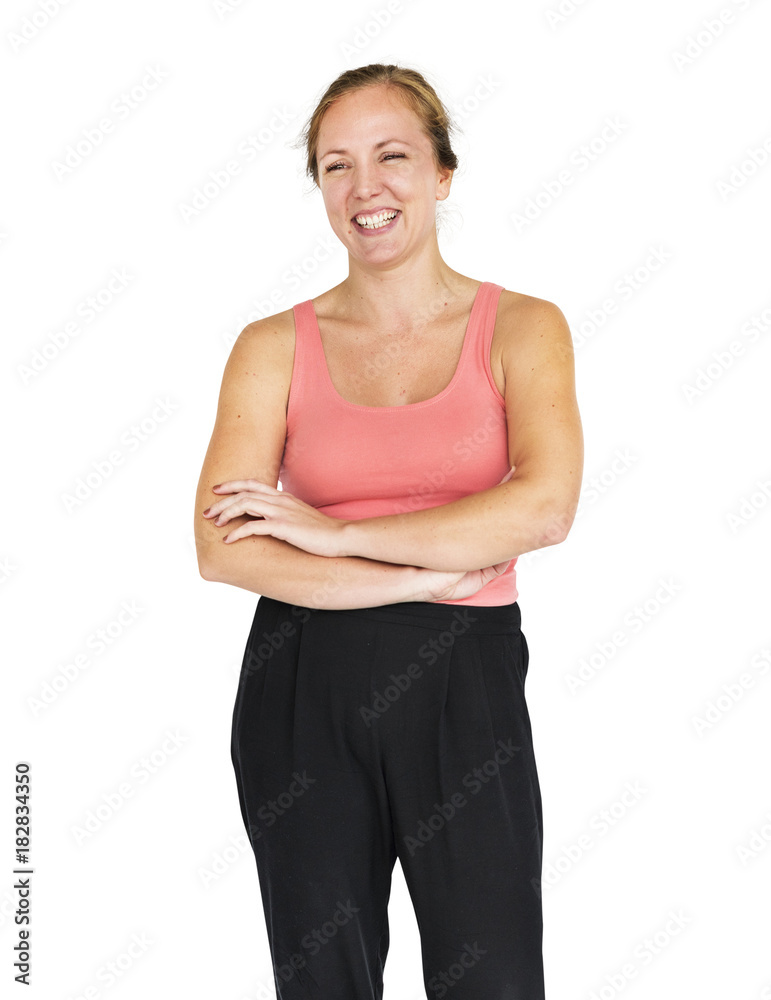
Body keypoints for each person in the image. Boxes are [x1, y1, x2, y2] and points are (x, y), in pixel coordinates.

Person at [194, 62, 583, 1000]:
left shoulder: (523, 328)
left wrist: (331, 537)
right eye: (336, 166)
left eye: (392, 156)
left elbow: (542, 508)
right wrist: (407, 576)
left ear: (442, 173)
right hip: (301, 683)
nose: (364, 187)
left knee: (490, 974)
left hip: (467, 683)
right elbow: (222, 546)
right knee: (322, 979)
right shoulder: (272, 345)